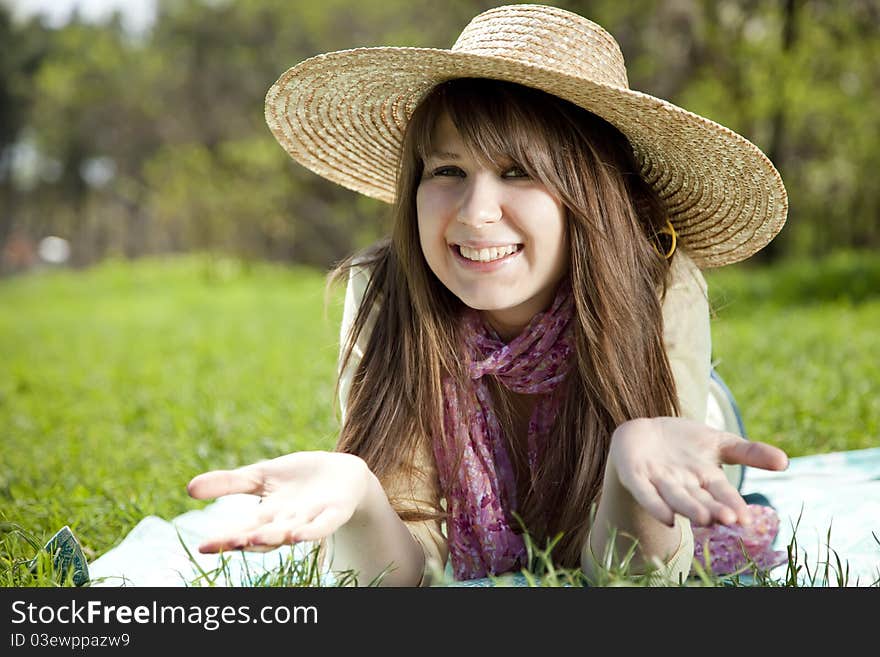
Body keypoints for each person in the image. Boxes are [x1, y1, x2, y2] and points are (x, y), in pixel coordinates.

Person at [186, 4, 790, 587]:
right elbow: (402, 565)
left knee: (704, 478)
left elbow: (634, 580)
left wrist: (633, 465)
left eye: (519, 172)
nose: (476, 214)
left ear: (593, 195)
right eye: (446, 172)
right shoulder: (385, 292)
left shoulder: (660, 284)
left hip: (691, 432)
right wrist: (361, 494)